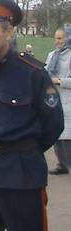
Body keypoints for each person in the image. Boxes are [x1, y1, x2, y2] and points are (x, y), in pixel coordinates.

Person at [0, 0, 64, 231]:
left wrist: (24, 150)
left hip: (21, 174)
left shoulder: (32, 72)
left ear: (8, 33)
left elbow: (53, 124)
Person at [45, 27, 71, 175]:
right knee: (56, 133)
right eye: (56, 38)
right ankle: (62, 164)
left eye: (60, 38)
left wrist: (60, 81)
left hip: (68, 98)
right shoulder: (52, 55)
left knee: (68, 136)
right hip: (54, 98)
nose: (58, 41)